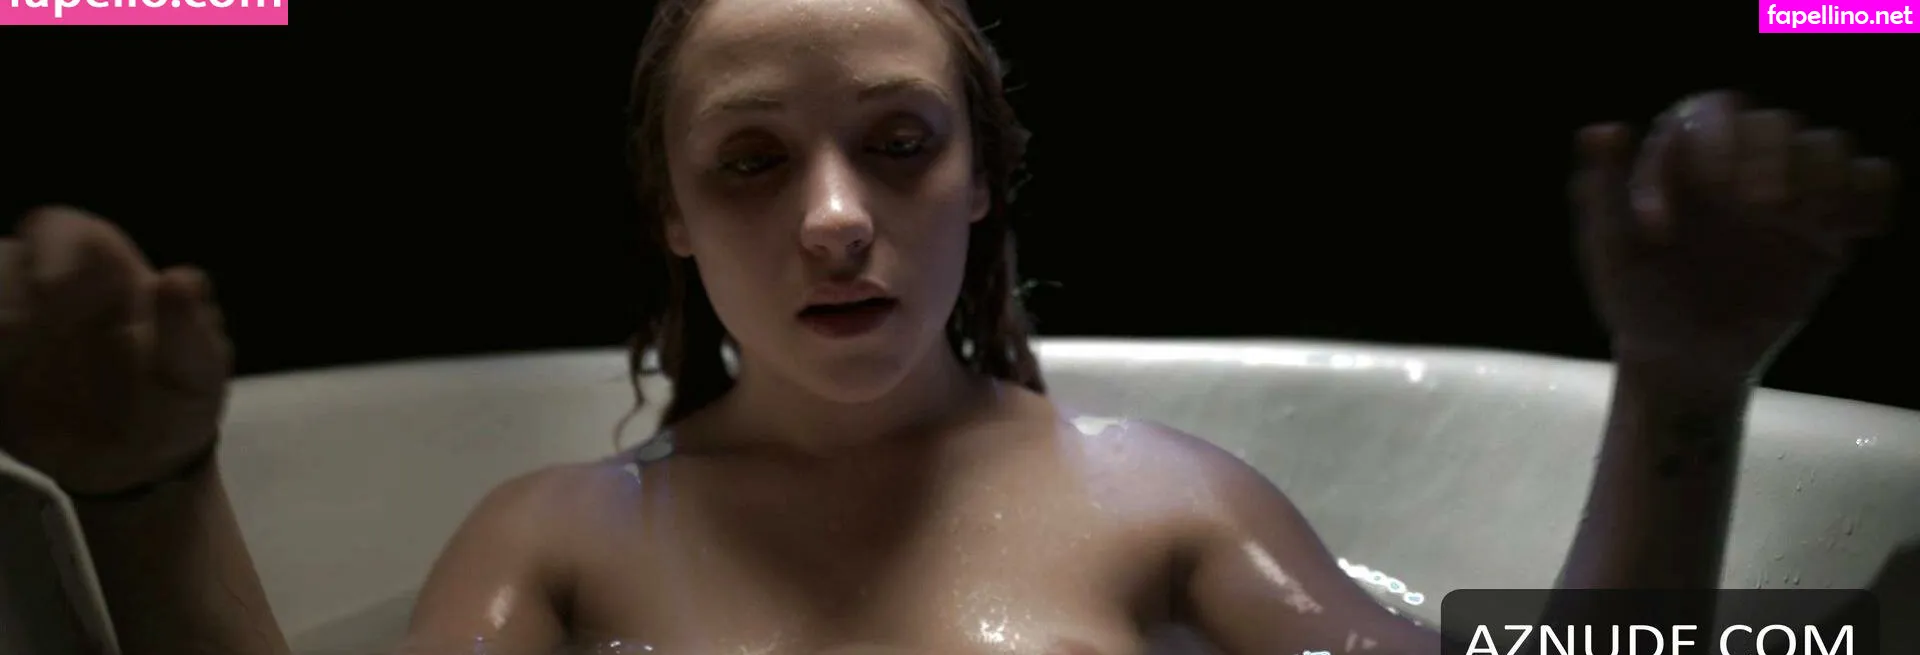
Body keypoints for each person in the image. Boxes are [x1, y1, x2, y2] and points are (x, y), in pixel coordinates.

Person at [0, 0, 1902, 652]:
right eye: (754, 163)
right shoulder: (555, 542)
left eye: (899, 144)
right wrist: (154, 499)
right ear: (670, 212)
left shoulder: (1158, 500)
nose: (837, 216)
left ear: (982, 176)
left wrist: (1684, 391)